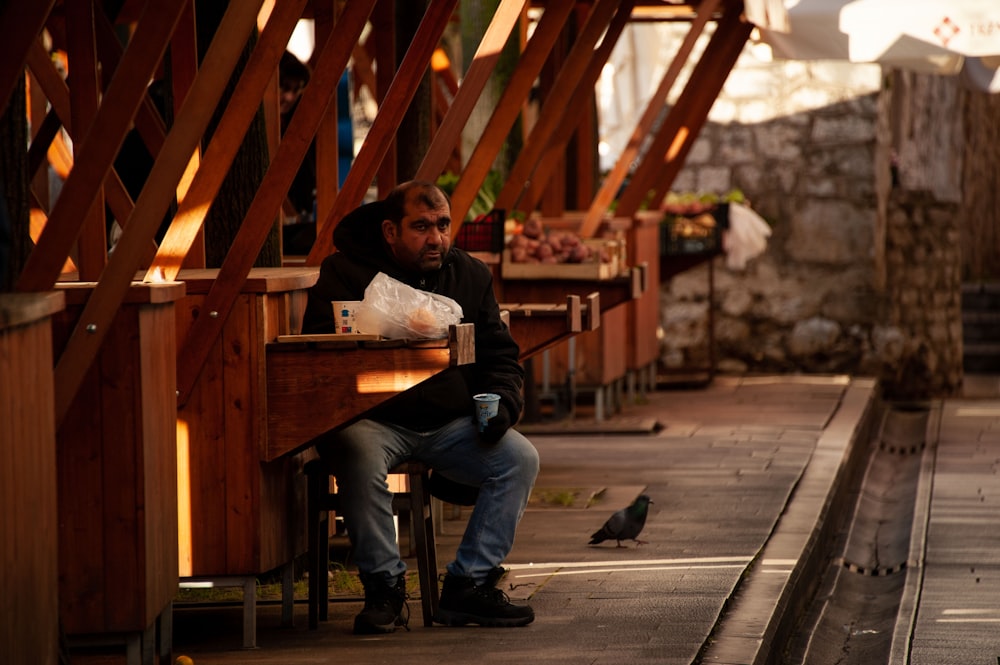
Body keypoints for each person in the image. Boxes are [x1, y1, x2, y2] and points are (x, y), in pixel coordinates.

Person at [301, 180, 539, 634]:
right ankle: (384, 588)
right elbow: (317, 355)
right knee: (356, 453)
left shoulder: (469, 275)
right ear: (390, 231)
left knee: (519, 458)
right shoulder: (344, 274)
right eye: (422, 227)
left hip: (451, 423)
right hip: (372, 420)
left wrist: (503, 406)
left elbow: (500, 357)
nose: (436, 238)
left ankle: (468, 584)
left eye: (443, 225)